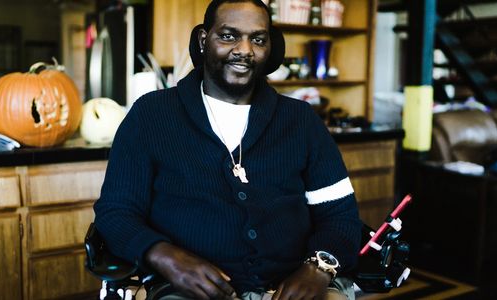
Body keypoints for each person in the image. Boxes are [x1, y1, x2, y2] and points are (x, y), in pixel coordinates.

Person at [93, 0, 361, 299]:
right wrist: (166, 258)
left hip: (292, 284)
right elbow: (115, 213)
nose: (244, 49)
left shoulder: (301, 120)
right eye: (229, 36)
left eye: (258, 39)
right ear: (203, 40)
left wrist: (317, 268)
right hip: (183, 287)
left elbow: (340, 215)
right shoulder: (152, 115)